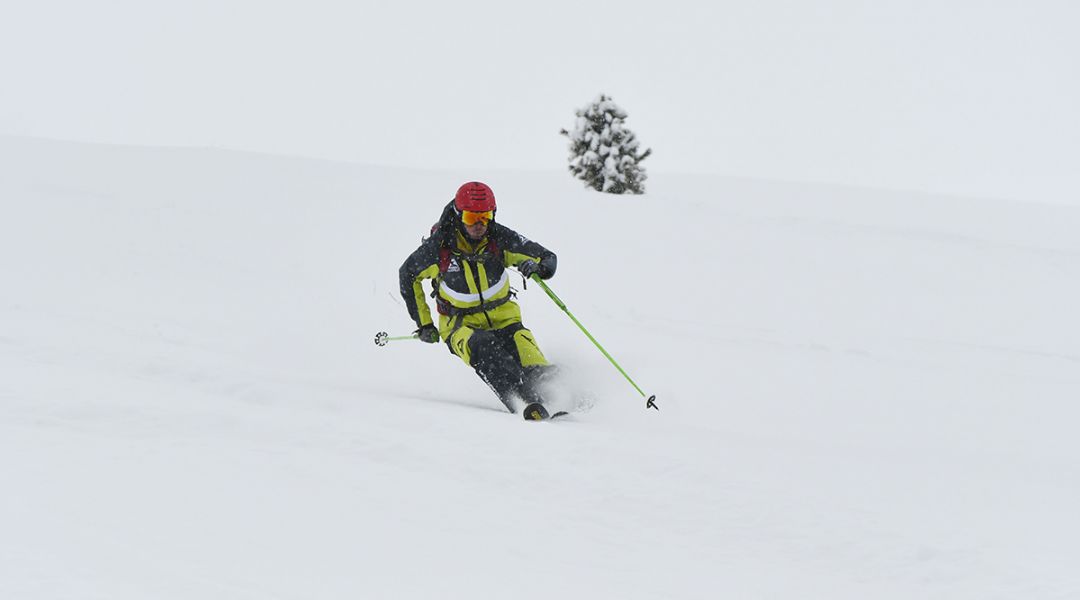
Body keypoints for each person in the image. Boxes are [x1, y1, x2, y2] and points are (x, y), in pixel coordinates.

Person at [399, 181, 558, 415]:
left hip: (505, 319)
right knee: (485, 349)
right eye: (472, 218)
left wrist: (538, 267)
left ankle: (562, 398)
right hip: (461, 325)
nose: (479, 225)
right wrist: (424, 324)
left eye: (485, 217)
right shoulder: (439, 247)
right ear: (459, 215)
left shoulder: (498, 238)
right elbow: (408, 274)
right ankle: (526, 402)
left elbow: (546, 257)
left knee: (530, 358)